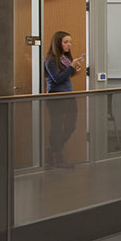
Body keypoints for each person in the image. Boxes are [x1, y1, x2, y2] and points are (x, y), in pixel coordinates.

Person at [43, 31, 85, 169]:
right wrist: (71, 67)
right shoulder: (50, 60)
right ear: (58, 43)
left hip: (68, 95)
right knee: (57, 127)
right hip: (56, 96)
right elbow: (57, 79)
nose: (69, 45)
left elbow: (67, 76)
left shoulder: (64, 58)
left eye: (70, 42)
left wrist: (75, 68)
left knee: (71, 125)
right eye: (65, 42)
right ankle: (58, 158)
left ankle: (52, 151)